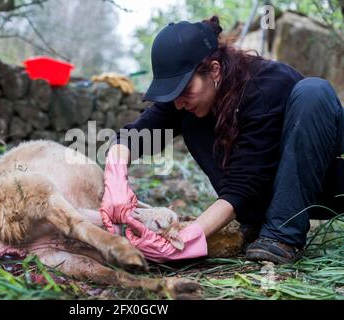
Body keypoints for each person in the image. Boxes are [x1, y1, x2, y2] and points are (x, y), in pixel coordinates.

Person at [99, 16, 344, 265]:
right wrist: (115, 178)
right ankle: (259, 223)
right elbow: (135, 135)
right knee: (189, 115)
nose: (178, 101)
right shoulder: (184, 100)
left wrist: (184, 241)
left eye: (183, 90)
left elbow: (243, 184)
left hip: (325, 188)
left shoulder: (266, 84)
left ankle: (283, 236)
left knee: (313, 91)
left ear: (214, 70)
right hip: (254, 198)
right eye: (172, 93)